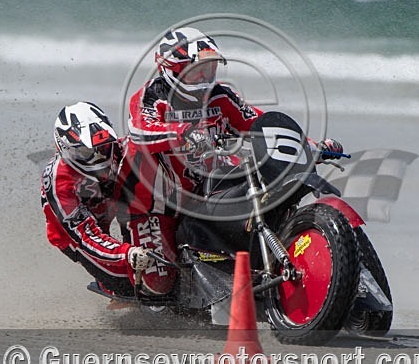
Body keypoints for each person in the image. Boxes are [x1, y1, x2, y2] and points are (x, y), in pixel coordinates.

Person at [120, 27, 344, 297]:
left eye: (210, 68)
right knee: (159, 285)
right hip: (156, 203)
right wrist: (184, 133)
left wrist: (309, 145)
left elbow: (257, 124)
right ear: (172, 70)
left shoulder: (221, 95)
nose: (205, 77)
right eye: (197, 71)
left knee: (258, 191)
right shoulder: (151, 96)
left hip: (208, 188)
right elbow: (140, 131)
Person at [41, 101, 155, 297]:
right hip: (74, 236)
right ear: (66, 148)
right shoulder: (59, 181)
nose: (99, 158)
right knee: (126, 283)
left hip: (116, 205)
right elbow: (85, 236)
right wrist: (126, 253)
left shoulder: (120, 148)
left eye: (103, 147)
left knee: (152, 263)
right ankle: (116, 293)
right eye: (87, 152)